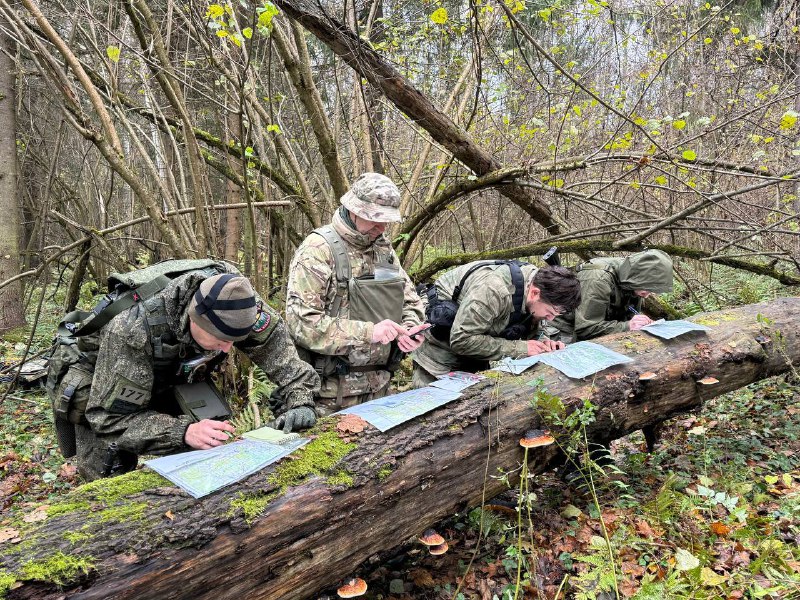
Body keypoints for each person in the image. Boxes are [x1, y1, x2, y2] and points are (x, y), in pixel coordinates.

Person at [73, 267, 319, 480]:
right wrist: (183, 431)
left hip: (177, 371)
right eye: (221, 339)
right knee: (109, 474)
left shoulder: (241, 306)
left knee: (209, 456)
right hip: (106, 380)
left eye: (237, 340)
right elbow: (108, 418)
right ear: (195, 319)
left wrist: (300, 402)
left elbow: (289, 366)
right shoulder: (130, 329)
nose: (228, 349)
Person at [285, 172, 427, 414]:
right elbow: (302, 324)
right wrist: (369, 332)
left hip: (380, 390)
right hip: (328, 396)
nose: (382, 227)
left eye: (386, 220)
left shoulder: (382, 251)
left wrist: (410, 328)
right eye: (375, 219)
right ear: (354, 210)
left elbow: (407, 300)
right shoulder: (318, 250)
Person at [412, 262, 582, 387]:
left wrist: (543, 341)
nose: (550, 319)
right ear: (535, 293)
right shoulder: (493, 290)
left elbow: (530, 321)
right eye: (550, 313)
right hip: (439, 349)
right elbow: (461, 340)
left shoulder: (540, 286)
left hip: (476, 346)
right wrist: (522, 348)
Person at [552, 249, 673, 343]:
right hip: (564, 328)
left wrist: (637, 322)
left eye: (652, 291)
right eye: (647, 289)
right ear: (638, 277)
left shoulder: (634, 278)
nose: (646, 296)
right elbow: (585, 329)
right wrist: (627, 326)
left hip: (599, 326)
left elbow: (629, 314)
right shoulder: (598, 279)